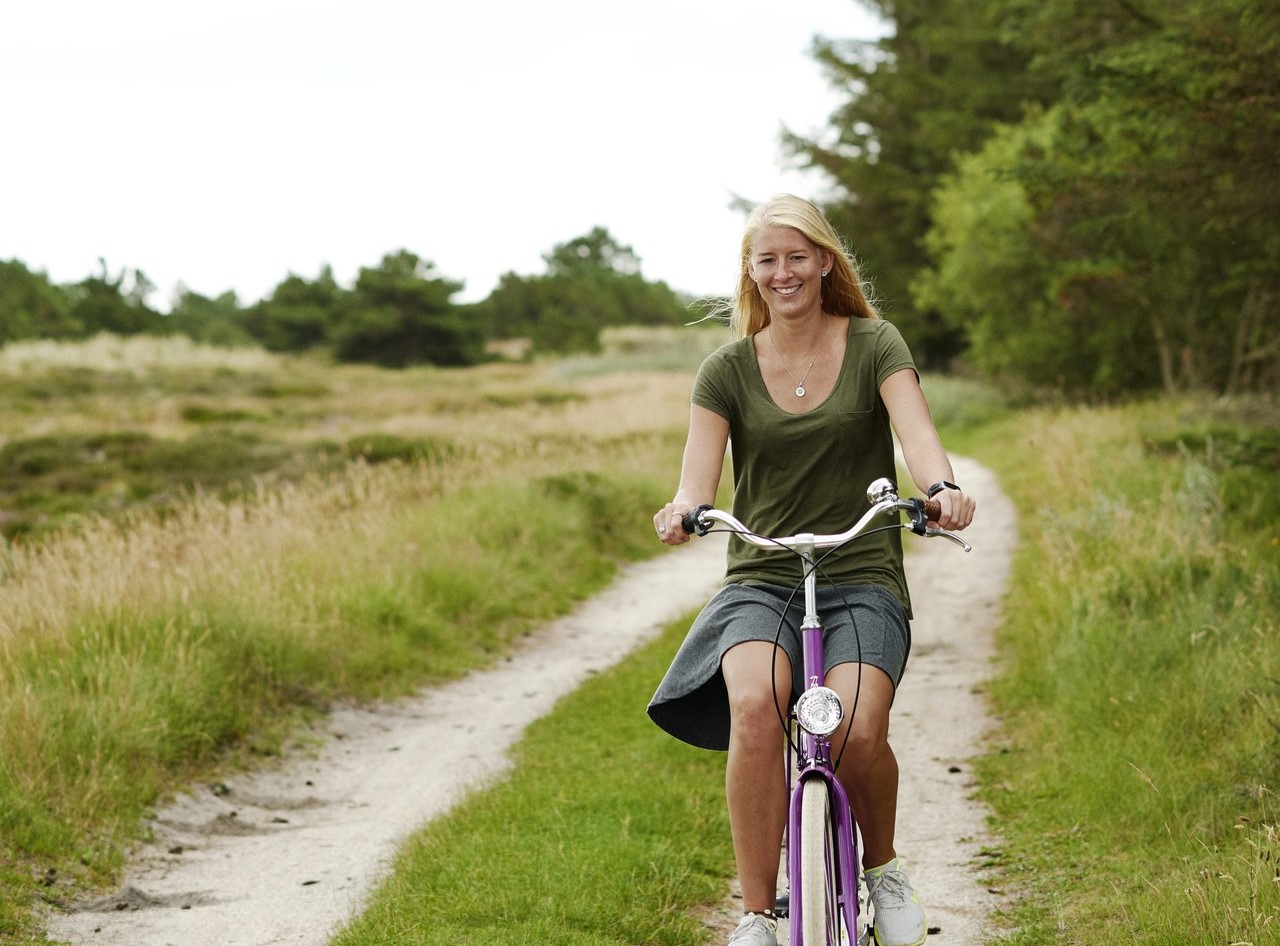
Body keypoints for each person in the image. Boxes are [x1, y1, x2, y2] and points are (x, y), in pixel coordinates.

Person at [647, 195, 975, 946]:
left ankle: (883, 869)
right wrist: (683, 509)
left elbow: (919, 437)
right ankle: (758, 916)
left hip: (860, 572)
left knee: (859, 729)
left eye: (798, 256)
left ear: (825, 261)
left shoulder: (874, 343)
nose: (784, 272)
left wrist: (942, 489)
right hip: (761, 576)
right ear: (751, 273)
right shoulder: (725, 368)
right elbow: (697, 482)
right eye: (768, 259)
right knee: (757, 711)